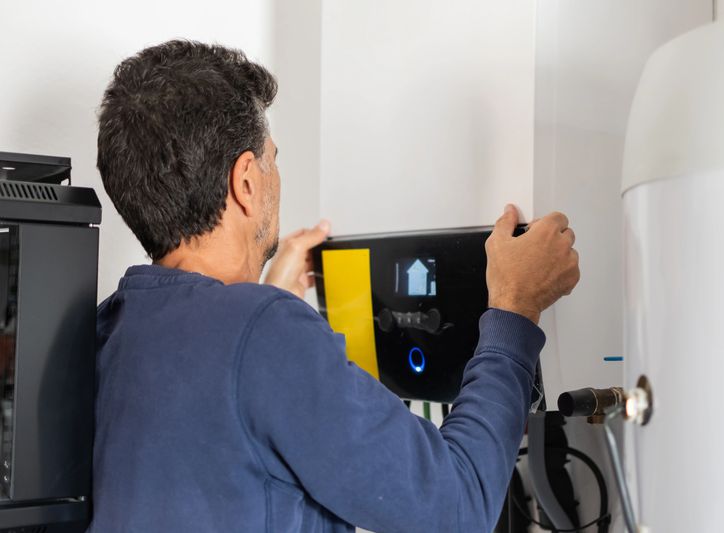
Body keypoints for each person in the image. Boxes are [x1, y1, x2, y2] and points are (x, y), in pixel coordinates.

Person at [91, 40, 579, 533]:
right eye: (271, 159)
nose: (275, 176)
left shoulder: (112, 327)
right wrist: (515, 308)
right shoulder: (262, 332)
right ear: (245, 182)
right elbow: (458, 505)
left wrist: (267, 300)